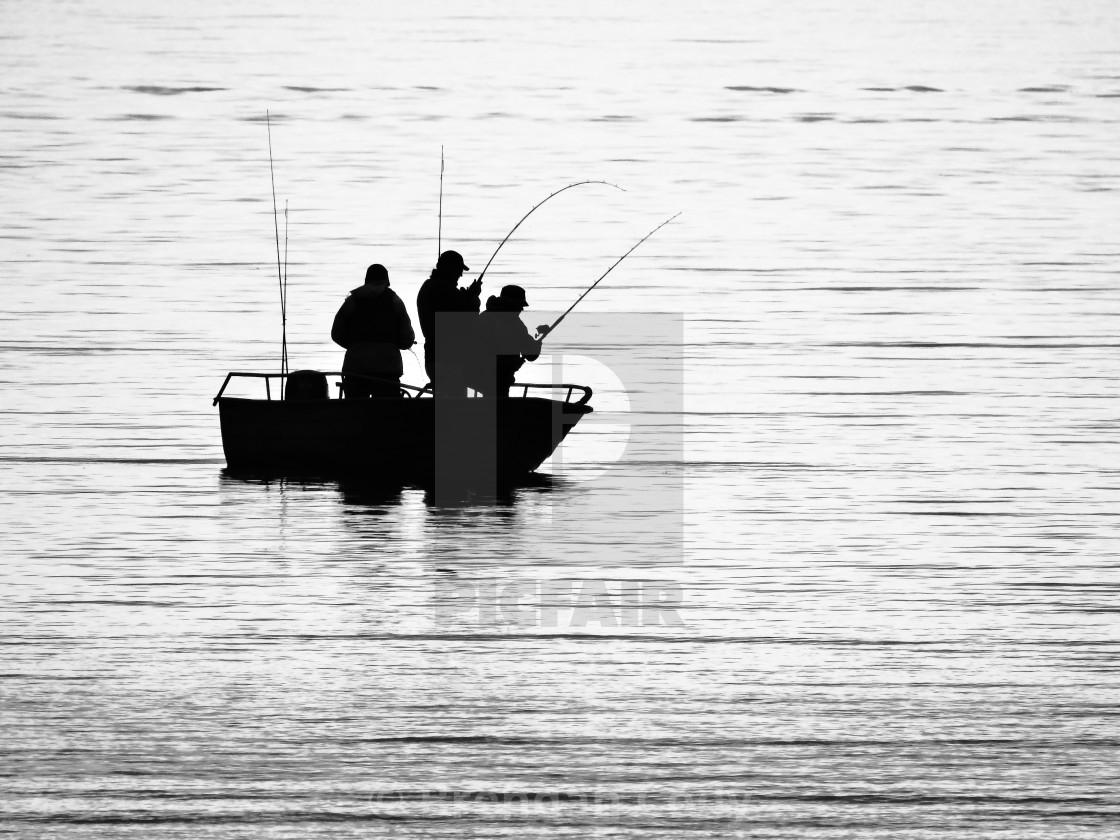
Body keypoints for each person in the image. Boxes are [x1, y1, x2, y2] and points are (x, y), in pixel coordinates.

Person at [331, 264, 415, 399]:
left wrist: (355, 346)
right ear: (387, 281)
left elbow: (336, 332)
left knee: (355, 413)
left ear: (366, 280)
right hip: (387, 371)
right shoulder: (395, 300)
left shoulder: (352, 300)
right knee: (385, 416)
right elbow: (407, 338)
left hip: (355, 369)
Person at [466, 285, 551, 398]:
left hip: (503, 382)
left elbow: (530, 355)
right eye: (519, 306)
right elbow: (477, 355)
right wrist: (507, 364)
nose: (521, 309)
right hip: (480, 383)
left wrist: (539, 339)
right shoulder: (486, 320)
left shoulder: (518, 325)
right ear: (509, 305)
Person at [416, 250, 480, 397]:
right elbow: (465, 320)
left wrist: (469, 295)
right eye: (459, 270)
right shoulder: (442, 290)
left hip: (436, 357)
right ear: (449, 269)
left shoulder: (432, 287)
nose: (461, 274)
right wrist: (473, 298)